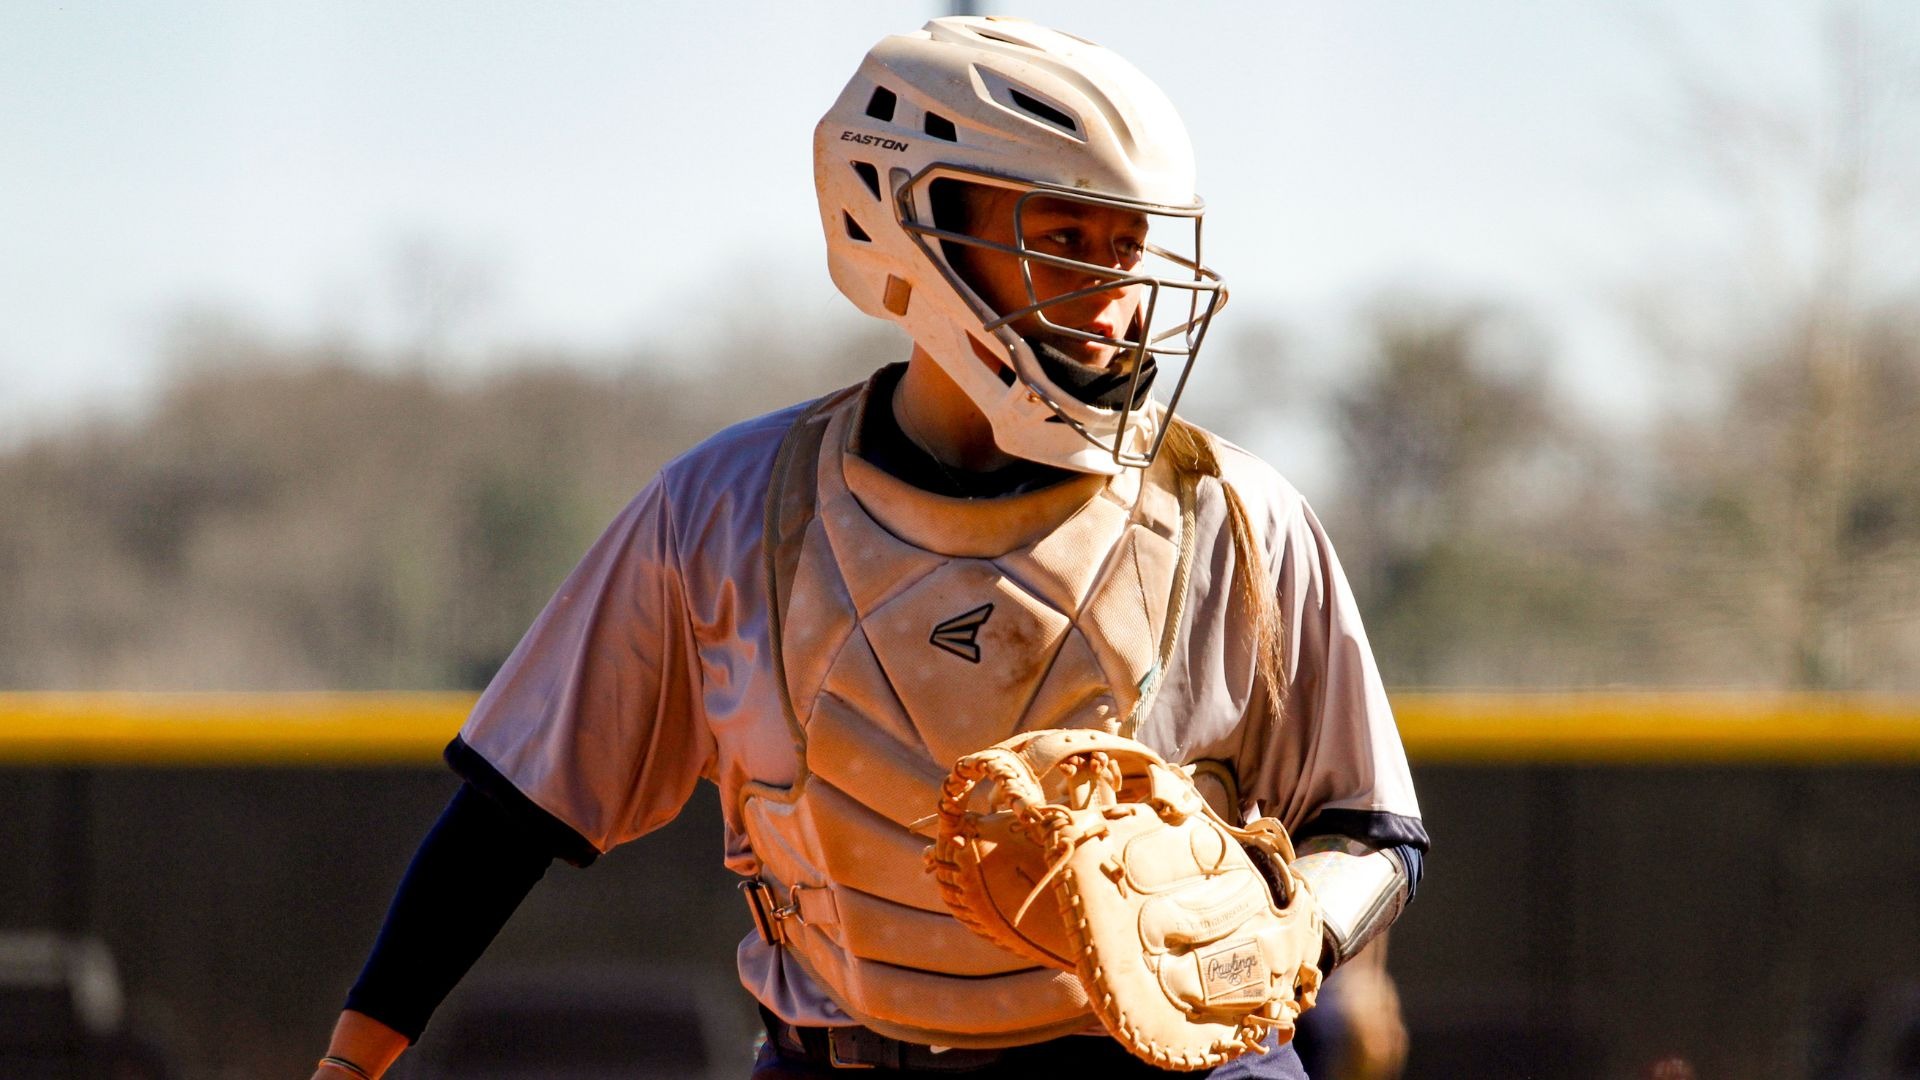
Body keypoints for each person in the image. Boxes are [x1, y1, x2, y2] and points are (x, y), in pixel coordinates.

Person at [311, 16, 1427, 1080]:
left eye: (1129, 244)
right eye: (1063, 236)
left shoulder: (1233, 511)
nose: (1116, 291)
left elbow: (1370, 827)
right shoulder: (728, 508)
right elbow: (511, 816)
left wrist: (1290, 935)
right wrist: (352, 1059)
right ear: (913, 223)